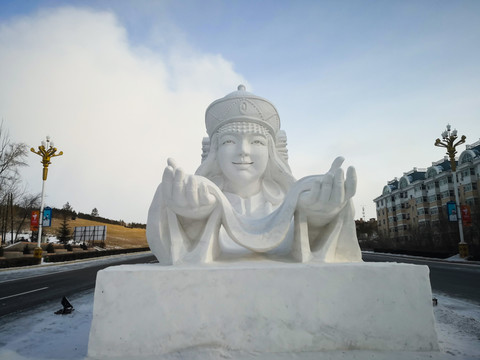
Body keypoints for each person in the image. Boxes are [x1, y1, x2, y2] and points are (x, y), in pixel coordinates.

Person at [147, 85, 362, 265]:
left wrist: (318, 220)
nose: (243, 151)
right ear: (214, 151)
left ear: (272, 152)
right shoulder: (200, 198)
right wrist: (190, 221)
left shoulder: (295, 201)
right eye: (229, 141)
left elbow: (300, 253)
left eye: (256, 142)